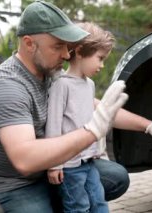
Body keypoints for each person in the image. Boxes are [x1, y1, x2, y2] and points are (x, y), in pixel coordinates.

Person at [0, 1, 152, 212]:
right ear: (29, 43)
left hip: (50, 169)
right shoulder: (8, 86)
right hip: (13, 184)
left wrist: (150, 126)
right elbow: (25, 159)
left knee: (116, 177)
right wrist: (90, 132)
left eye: (67, 46)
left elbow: (100, 109)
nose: (66, 54)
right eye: (57, 46)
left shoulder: (52, 75)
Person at [45, 22, 117, 213]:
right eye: (100, 58)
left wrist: (97, 151)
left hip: (89, 161)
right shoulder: (62, 85)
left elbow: (88, 121)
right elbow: (53, 124)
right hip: (68, 166)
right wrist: (54, 164)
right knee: (78, 206)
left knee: (99, 202)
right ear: (80, 50)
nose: (101, 65)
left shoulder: (90, 85)